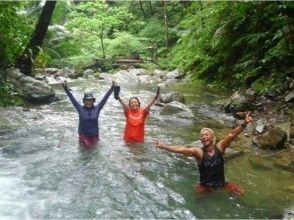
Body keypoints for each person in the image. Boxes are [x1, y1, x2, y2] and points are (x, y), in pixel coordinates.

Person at [154, 111, 253, 195]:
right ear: (201, 140)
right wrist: (163, 146)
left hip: (222, 184)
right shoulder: (198, 152)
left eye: (206, 135)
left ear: (213, 137)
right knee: (200, 203)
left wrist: (244, 124)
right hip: (205, 186)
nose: (204, 137)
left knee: (241, 193)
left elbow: (232, 134)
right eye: (202, 136)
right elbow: (181, 149)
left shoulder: (220, 147)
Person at [62, 81, 114, 148]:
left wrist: (112, 87)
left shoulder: (97, 108)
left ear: (93, 101)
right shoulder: (80, 108)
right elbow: (71, 98)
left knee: (95, 154)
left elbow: (105, 98)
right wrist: (65, 87)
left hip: (95, 136)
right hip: (83, 136)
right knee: (85, 153)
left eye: (90, 100)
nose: (89, 102)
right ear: (84, 101)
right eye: (87, 100)